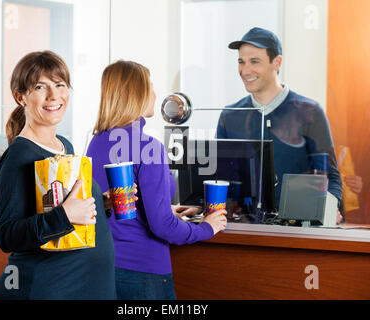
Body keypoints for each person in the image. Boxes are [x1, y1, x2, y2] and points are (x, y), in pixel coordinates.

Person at [86, 60, 227, 300]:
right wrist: (206, 228)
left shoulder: (95, 143)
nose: (155, 93)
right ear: (137, 94)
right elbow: (162, 227)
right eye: (150, 86)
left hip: (102, 269)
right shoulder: (149, 147)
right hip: (143, 272)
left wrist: (167, 209)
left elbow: (114, 206)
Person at [0, 50, 115, 299]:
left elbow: (57, 204)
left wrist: (102, 203)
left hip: (85, 286)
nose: (54, 96)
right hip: (48, 288)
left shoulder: (64, 146)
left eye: (60, 85)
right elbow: (7, 236)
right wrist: (65, 215)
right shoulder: (19, 156)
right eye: (40, 87)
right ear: (21, 97)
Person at [216, 27, 343, 222]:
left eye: (254, 61)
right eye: (241, 62)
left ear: (277, 62)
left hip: (296, 230)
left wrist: (329, 209)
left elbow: (330, 177)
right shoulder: (230, 115)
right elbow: (220, 179)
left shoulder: (310, 112)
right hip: (242, 229)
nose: (245, 70)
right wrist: (200, 205)